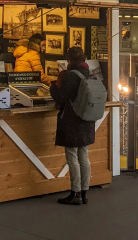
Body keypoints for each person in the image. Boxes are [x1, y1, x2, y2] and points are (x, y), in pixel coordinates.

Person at [50, 46, 97, 206]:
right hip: (87, 120)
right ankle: (84, 193)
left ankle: (75, 193)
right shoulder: (89, 73)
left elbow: (61, 98)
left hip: (72, 120)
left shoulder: (70, 75)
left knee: (72, 157)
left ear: (69, 59)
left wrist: (52, 87)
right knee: (84, 157)